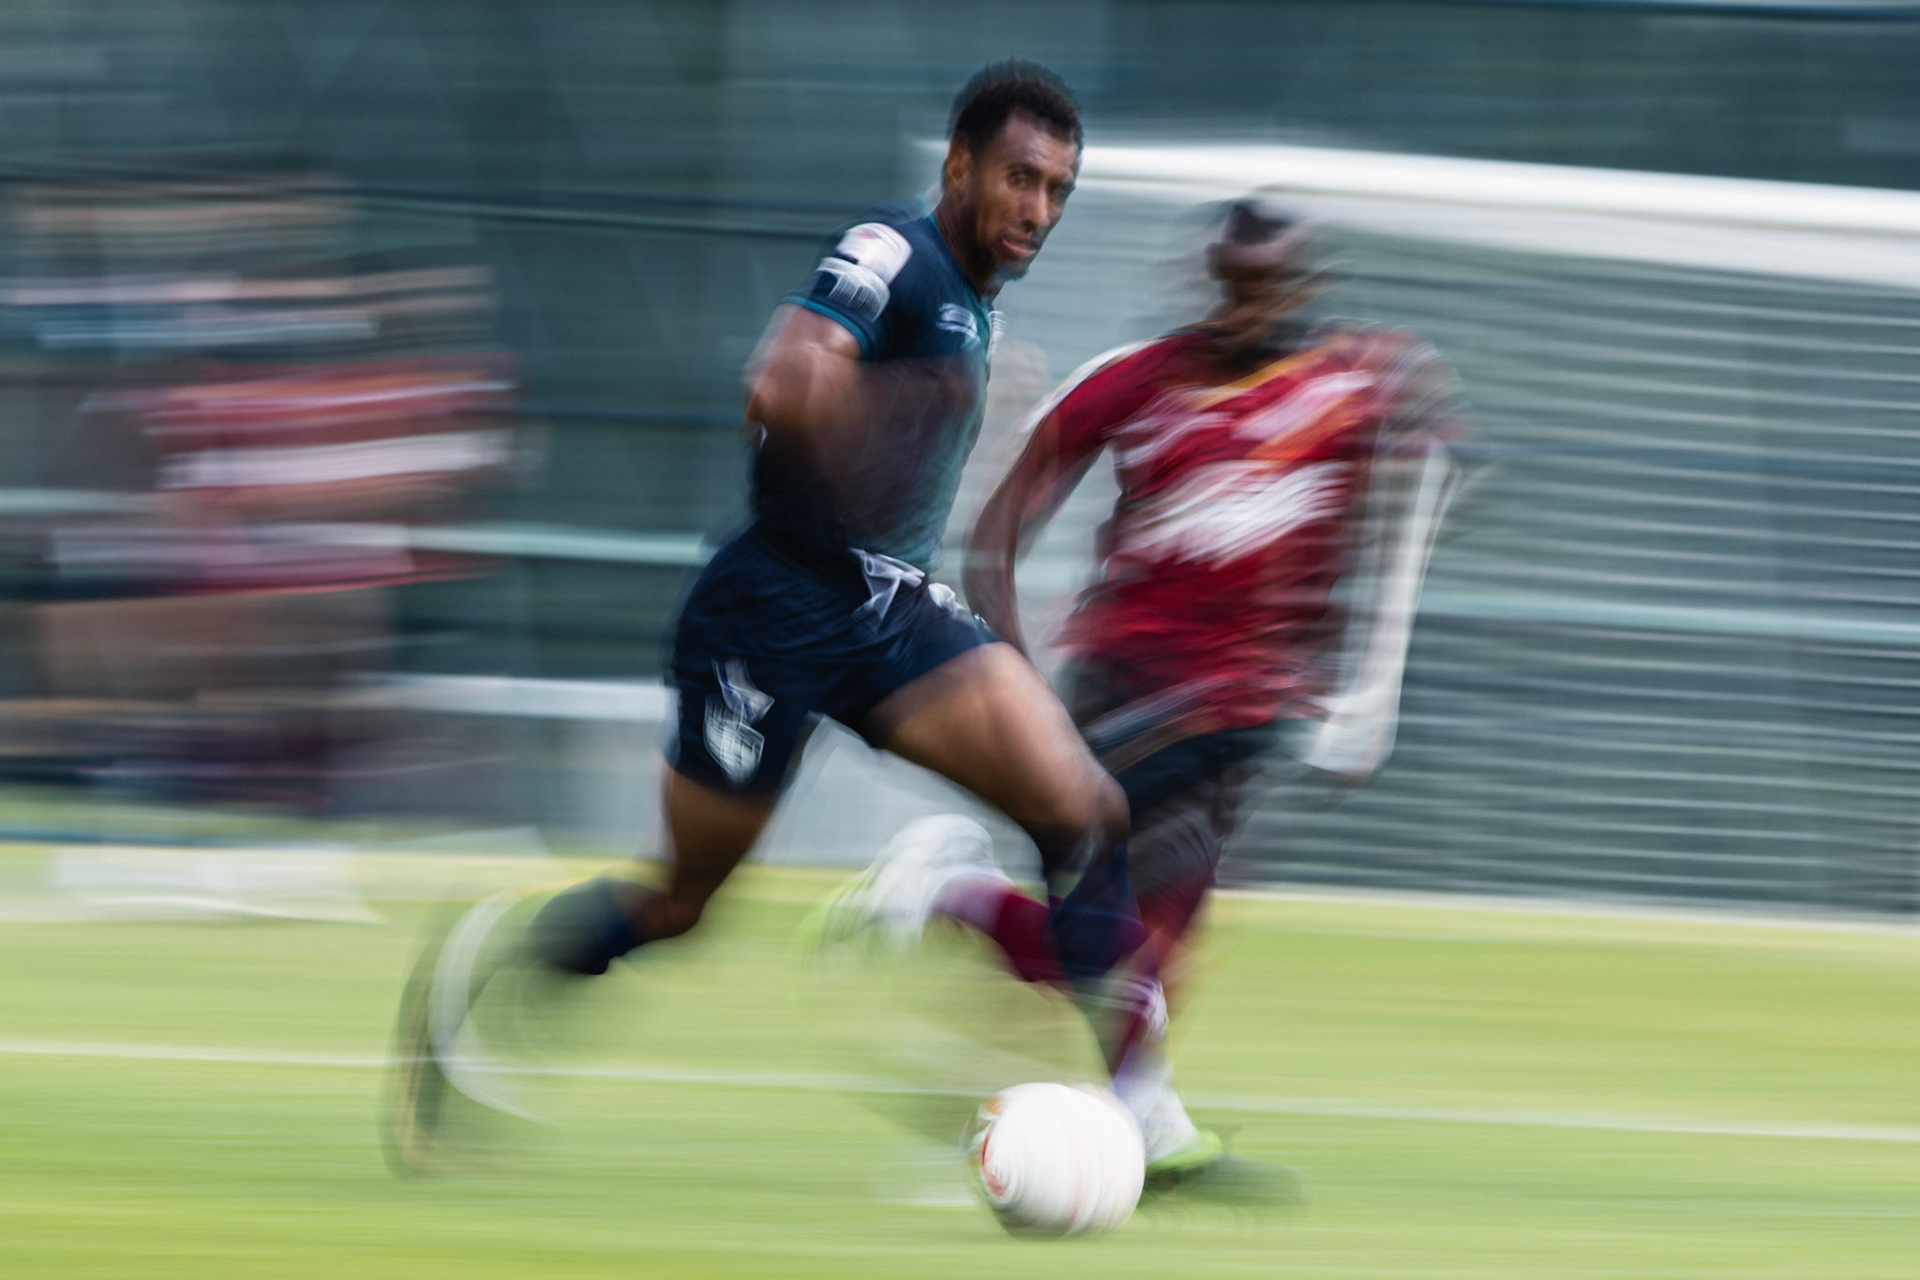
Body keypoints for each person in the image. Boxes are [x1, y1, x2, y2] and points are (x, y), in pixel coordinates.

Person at [388, 61, 1192, 1179]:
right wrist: (883, 417)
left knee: (1084, 811)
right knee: (682, 900)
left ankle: (1135, 1114)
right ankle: (487, 970)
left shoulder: (973, 301)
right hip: (767, 611)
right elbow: (784, 383)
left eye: (1058, 189)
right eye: (1019, 179)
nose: (1037, 211)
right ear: (960, 167)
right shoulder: (893, 252)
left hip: (889, 611)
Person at [956, 197, 1468, 1099]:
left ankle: (1128, 1115)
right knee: (1107, 943)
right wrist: (1017, 684)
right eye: (1227, 289)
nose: (1241, 310)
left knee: (1154, 942)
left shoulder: (1360, 383)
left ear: (1306, 288)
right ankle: (947, 897)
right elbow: (993, 541)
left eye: (1263, 289)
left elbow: (1432, 474)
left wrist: (1368, 687)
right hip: (1128, 689)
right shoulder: (1137, 381)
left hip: (1250, 709)